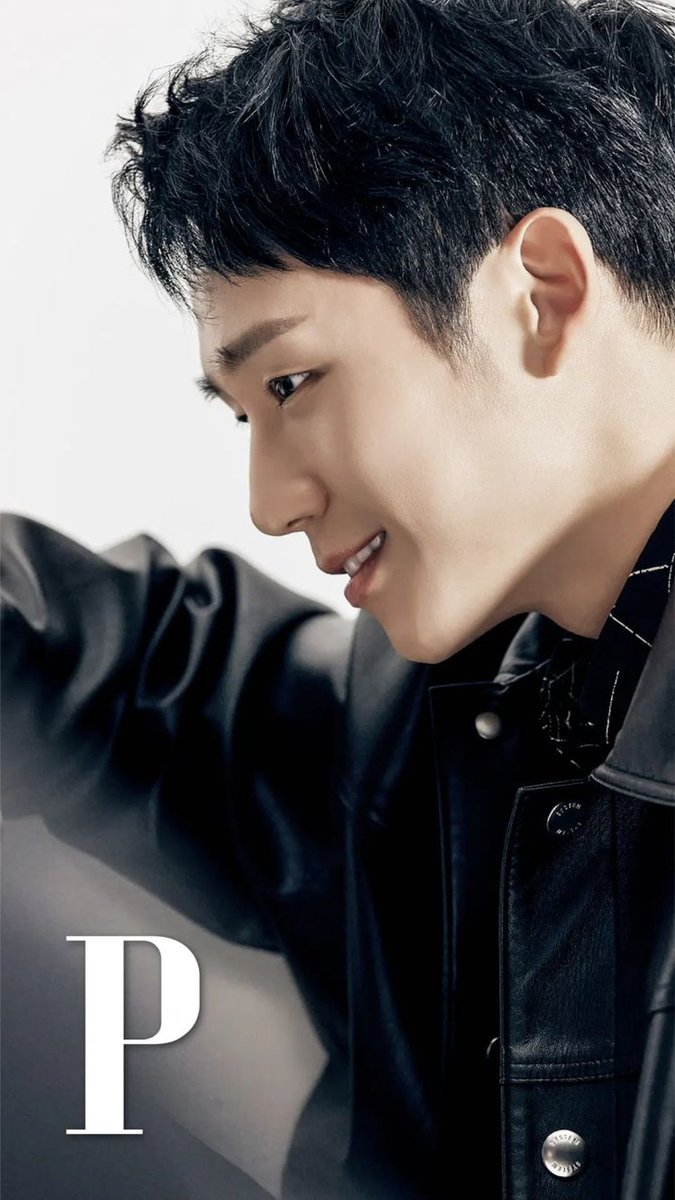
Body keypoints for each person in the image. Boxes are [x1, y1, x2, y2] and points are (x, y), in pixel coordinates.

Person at [2, 0, 674, 1196]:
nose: (270, 502)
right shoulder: (457, 701)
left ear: (544, 291)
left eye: (292, 382)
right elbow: (146, 674)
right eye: (245, 415)